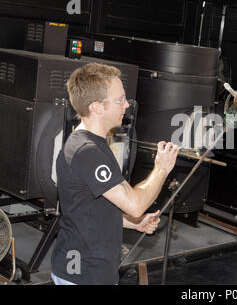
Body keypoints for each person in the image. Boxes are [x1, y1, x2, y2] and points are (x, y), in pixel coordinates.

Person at [51, 63, 179, 285]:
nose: (126, 105)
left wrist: (132, 223)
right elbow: (135, 204)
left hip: (87, 271)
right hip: (84, 274)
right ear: (97, 107)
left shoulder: (91, 144)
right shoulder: (88, 152)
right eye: (120, 100)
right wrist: (161, 168)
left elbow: (91, 209)